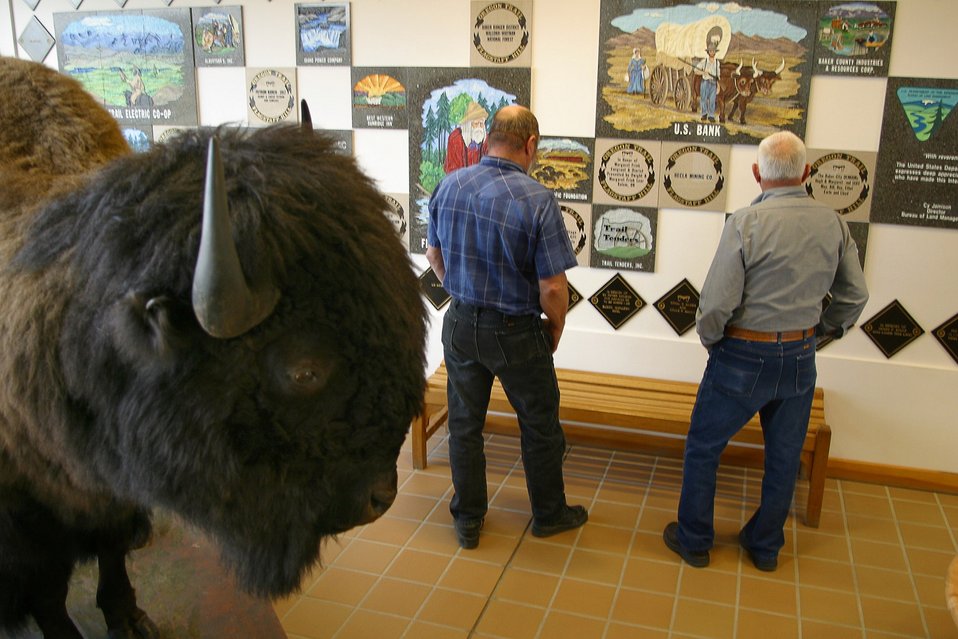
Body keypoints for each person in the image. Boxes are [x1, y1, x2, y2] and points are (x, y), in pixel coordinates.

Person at [663, 131, 868, 571]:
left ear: (757, 174)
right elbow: (854, 297)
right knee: (784, 454)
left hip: (741, 354)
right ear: (806, 173)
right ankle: (765, 546)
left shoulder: (743, 223)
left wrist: (715, 341)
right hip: (799, 357)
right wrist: (820, 334)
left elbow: (716, 305)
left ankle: (695, 539)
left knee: (704, 447)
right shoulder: (833, 222)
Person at [426, 105, 588, 549]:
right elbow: (553, 288)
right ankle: (549, 514)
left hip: (459, 325)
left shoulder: (449, 184)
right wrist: (554, 329)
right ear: (530, 144)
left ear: (489, 137)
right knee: (538, 426)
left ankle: (469, 519)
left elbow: (433, 257)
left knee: (464, 425)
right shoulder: (537, 200)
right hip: (517, 331)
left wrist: (460, 289)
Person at [444, 101, 488, 174]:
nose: (479, 127)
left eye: (481, 124)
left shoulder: (487, 139)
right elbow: (451, 169)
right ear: (468, 125)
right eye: (476, 124)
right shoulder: (455, 139)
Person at [695, 44, 721, 122]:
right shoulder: (704, 61)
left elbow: (718, 75)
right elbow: (696, 70)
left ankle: (711, 116)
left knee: (712, 100)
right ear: (708, 52)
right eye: (710, 51)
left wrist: (718, 85)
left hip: (713, 83)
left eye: (713, 51)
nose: (712, 52)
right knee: (703, 99)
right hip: (705, 82)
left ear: (715, 52)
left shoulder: (717, 62)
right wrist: (703, 72)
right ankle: (704, 114)